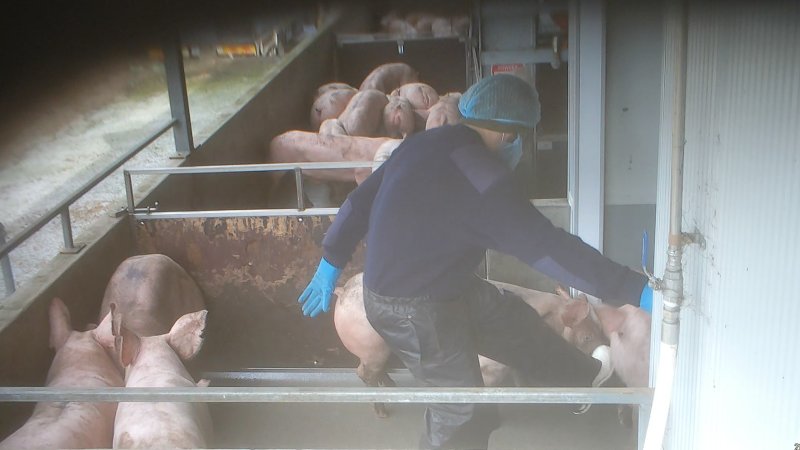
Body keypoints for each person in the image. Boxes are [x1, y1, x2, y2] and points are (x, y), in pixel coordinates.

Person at [298, 73, 653, 449]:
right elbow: (550, 247)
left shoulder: (422, 145)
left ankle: (587, 379)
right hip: (410, 309)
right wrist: (630, 288)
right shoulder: (486, 181)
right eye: (521, 136)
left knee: (516, 323)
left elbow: (357, 203)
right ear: (508, 135)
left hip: (441, 285)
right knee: (461, 411)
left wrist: (331, 261)